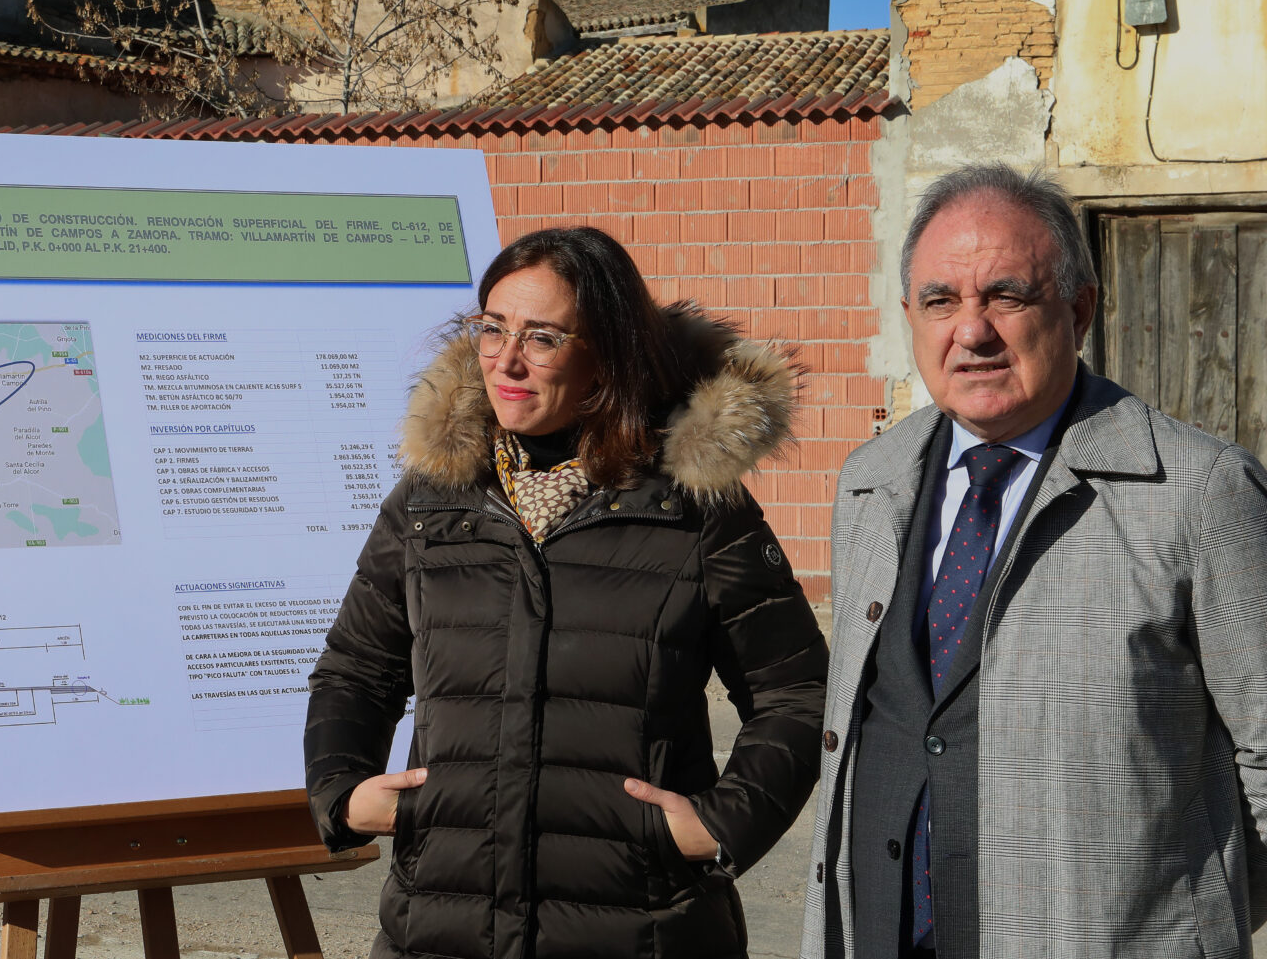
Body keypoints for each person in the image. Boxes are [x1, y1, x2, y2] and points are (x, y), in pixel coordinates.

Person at [305, 225, 828, 959]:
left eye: (543, 337)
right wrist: (342, 789)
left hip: (642, 929)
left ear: (606, 354)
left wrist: (719, 824)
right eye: (492, 329)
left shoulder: (691, 506)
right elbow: (354, 670)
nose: (507, 360)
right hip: (442, 928)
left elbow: (799, 693)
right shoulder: (431, 501)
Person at [800, 164, 1267, 958]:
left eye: (1006, 295)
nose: (972, 330)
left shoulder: (1201, 491)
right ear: (910, 316)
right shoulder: (868, 483)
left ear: (1079, 310)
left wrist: (1181, 930)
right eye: (942, 300)